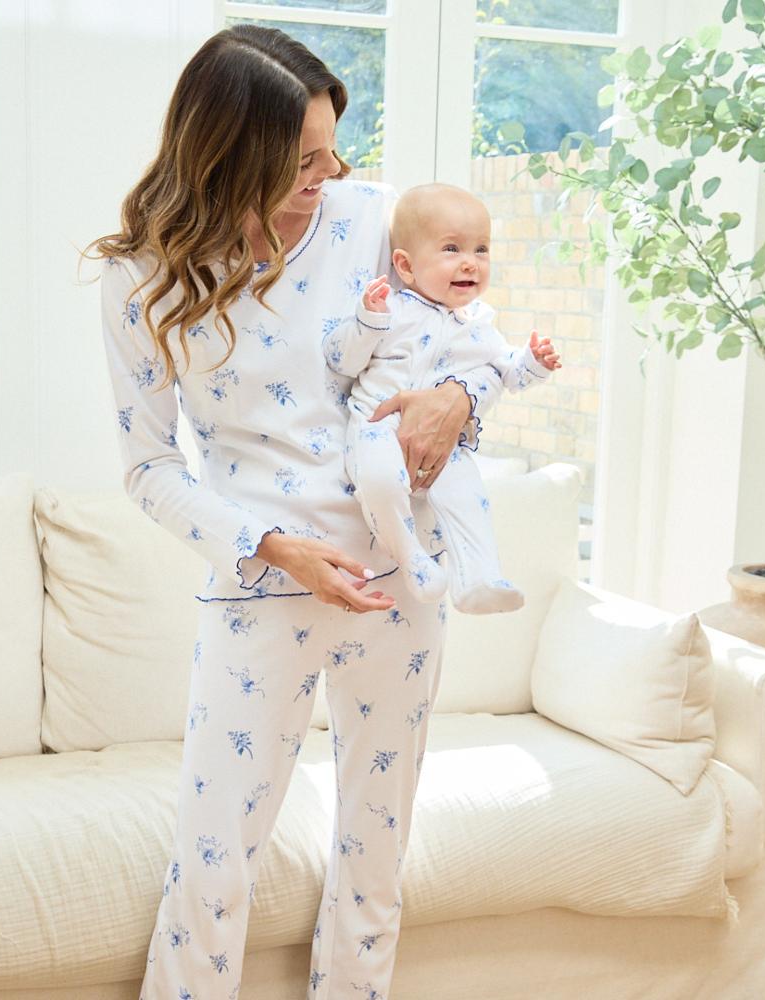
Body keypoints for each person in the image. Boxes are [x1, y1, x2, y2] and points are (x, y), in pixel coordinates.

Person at [90, 24, 509, 1000]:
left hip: (399, 579)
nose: (332, 172)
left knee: (375, 850)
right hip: (261, 584)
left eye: (333, 148)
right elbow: (148, 467)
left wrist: (462, 402)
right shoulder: (141, 274)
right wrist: (275, 548)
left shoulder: (369, 216)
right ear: (226, 153)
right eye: (303, 158)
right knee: (214, 857)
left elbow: (462, 340)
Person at [323, 182, 562, 614]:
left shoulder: (479, 325)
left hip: (447, 445)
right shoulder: (391, 308)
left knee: (468, 494)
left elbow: (511, 374)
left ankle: (480, 575)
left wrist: (535, 361)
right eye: (452, 248)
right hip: (377, 426)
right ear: (406, 266)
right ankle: (410, 556)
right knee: (379, 482)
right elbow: (341, 360)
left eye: (482, 249)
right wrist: (366, 321)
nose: (470, 261)